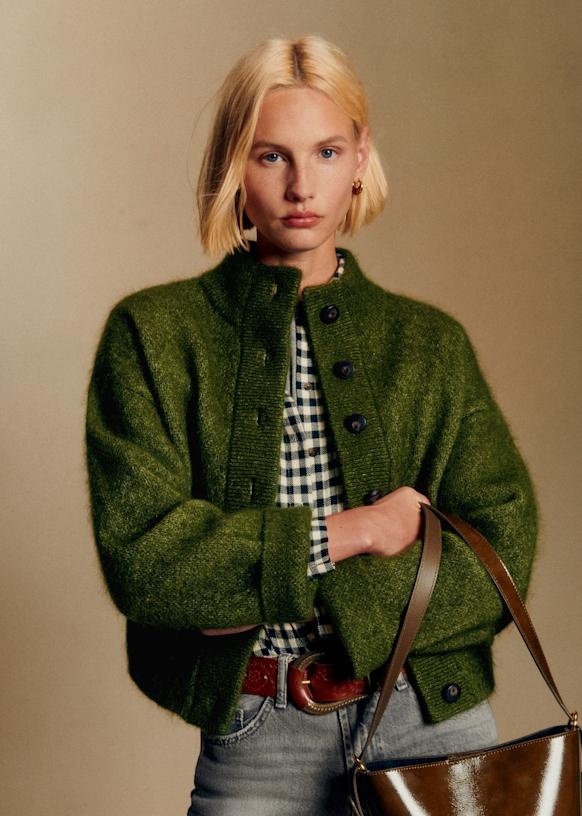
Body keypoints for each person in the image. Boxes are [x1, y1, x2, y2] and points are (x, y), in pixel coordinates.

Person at [86, 36, 537, 816]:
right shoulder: (154, 334)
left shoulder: (428, 343)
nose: (302, 185)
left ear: (359, 158)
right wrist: (353, 533)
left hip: (432, 721)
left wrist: (259, 586)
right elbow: (147, 564)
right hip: (260, 733)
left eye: (326, 152)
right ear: (234, 166)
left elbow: (502, 549)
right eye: (272, 156)